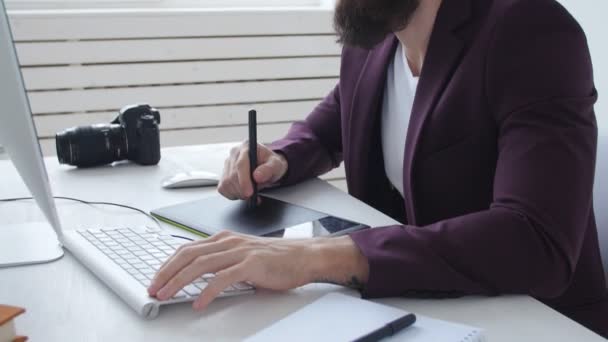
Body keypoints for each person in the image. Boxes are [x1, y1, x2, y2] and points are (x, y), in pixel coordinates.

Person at [148, 0, 608, 336]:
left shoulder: (531, 30)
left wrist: (323, 257)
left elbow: (535, 241)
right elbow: (335, 122)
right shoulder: (377, 26)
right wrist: (281, 157)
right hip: (422, 305)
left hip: (533, 321)